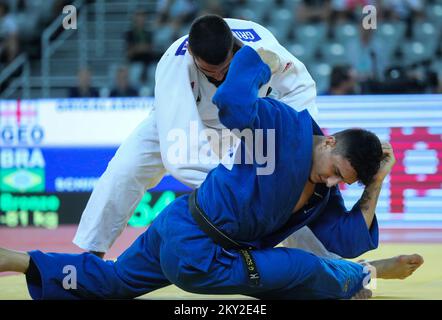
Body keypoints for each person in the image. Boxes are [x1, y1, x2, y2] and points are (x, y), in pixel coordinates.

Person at [0, 46, 424, 299]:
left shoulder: (320, 194)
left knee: (112, 285)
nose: (333, 185)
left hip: (182, 228)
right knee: (303, 269)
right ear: (329, 142)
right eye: (336, 172)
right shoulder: (284, 123)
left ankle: (17, 262)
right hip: (201, 256)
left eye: (342, 183)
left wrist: (377, 180)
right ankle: (371, 273)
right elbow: (233, 106)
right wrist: (257, 59)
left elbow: (348, 240)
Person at [73, 14, 324, 259]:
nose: (218, 76)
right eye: (209, 72)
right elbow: (180, 153)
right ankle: (92, 252)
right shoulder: (176, 62)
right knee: (124, 169)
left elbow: (300, 89)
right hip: (190, 121)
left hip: (248, 120)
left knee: (286, 186)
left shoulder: (263, 50)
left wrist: (299, 146)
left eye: (224, 69)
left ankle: (328, 263)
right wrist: (232, 189)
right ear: (193, 56)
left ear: (234, 49)